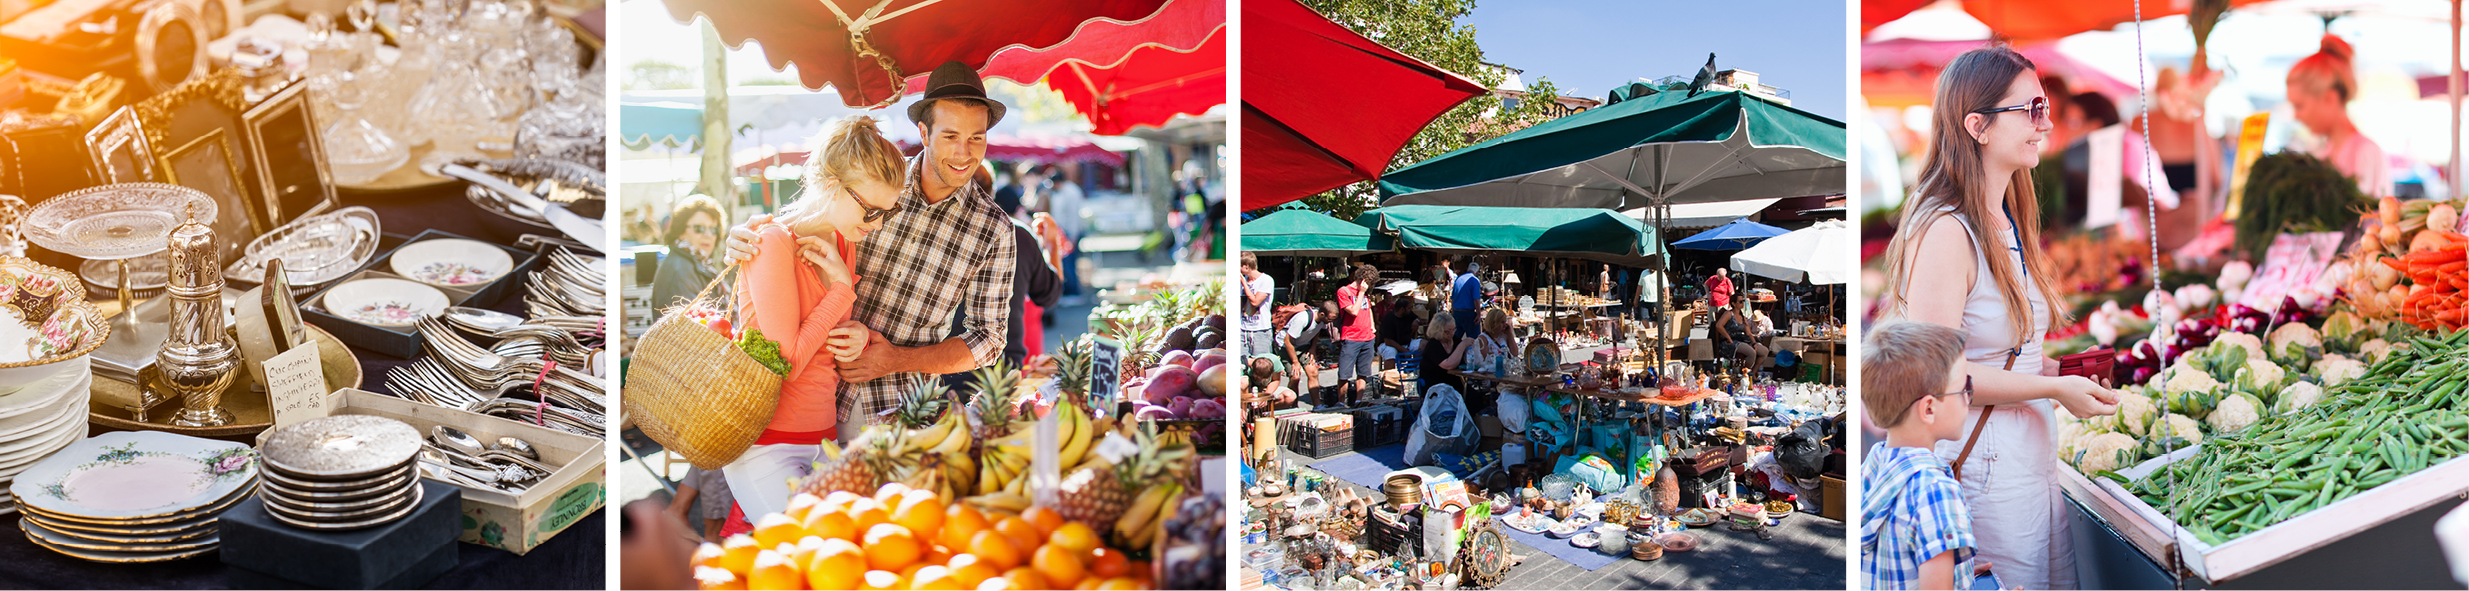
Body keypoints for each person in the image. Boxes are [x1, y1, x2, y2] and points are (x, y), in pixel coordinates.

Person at [1877, 45, 2122, 591]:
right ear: (1978, 126)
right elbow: (1942, 378)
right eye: (2032, 109)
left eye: (2045, 108)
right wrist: (2053, 390)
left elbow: (2000, 352)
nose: (2046, 123)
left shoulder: (2005, 216)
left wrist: (2060, 372)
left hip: (2022, 458)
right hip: (1983, 468)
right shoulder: (1946, 230)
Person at [726, 61, 1018, 441]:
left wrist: (896, 359)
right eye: (950, 136)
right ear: (924, 133)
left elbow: (989, 340)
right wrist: (746, 240)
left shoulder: (994, 230)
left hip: (902, 410)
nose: (964, 153)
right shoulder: (874, 182)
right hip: (813, 393)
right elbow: (801, 227)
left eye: (976, 138)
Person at [1861, 321, 1984, 591]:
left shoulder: (1873, 465)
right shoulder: (1937, 491)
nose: (1969, 397)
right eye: (1965, 388)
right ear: (1929, 408)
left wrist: (1960, 573)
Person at [2286, 34, 2389, 197]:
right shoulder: (2323, 153)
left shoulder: (2365, 152)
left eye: (2299, 106)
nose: (2296, 116)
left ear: (2329, 98)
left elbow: (2369, 217)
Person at [651, 194, 727, 315]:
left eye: (713, 229)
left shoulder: (697, 264)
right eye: (699, 228)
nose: (708, 235)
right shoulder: (678, 270)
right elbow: (691, 328)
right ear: (680, 231)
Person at [1334, 263, 1379, 407]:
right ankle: (1341, 401)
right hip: (1351, 337)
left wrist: (1372, 327)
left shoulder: (1365, 294)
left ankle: (1359, 400)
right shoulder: (1344, 291)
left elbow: (1368, 309)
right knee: (1344, 373)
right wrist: (1360, 293)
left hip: (1367, 337)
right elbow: (1353, 311)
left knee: (1363, 371)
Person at [1281, 302, 1336, 402]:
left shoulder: (1323, 321)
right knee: (1295, 377)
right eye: (1330, 319)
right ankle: (1293, 405)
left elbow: (1316, 331)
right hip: (1286, 346)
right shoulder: (1302, 319)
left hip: (1303, 345)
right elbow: (1287, 341)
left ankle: (1317, 405)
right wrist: (1295, 362)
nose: (1330, 322)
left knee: (1313, 372)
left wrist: (1312, 348)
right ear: (1322, 314)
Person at [1418, 311, 1474, 396]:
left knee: (1475, 397)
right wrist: (1463, 345)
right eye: (1448, 331)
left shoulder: (1455, 340)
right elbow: (1448, 365)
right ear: (1438, 330)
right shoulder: (1433, 345)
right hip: (1436, 386)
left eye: (1454, 329)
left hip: (1453, 382)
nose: (1452, 333)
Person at [1713, 300, 1769, 371]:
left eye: (1743, 301)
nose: (1742, 303)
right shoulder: (1728, 314)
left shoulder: (1743, 317)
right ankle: (1744, 374)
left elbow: (1748, 333)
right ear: (1733, 303)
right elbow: (1718, 326)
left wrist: (1754, 343)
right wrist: (1729, 338)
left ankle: (1753, 372)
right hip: (1729, 341)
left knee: (1764, 351)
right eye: (1740, 301)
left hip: (1742, 339)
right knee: (1751, 353)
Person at [1241, 251, 1276, 359]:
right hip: (1242, 331)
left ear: (1246, 267)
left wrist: (1243, 282)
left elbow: (1255, 302)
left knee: (1261, 366)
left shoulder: (1266, 280)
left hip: (1261, 331)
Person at [1450, 257, 1483, 340]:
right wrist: (1479, 314)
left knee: (1455, 338)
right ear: (1476, 271)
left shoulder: (1458, 279)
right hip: (1468, 313)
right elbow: (1476, 299)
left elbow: (1453, 298)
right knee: (1473, 340)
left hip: (1457, 312)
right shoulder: (1474, 280)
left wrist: (1453, 311)